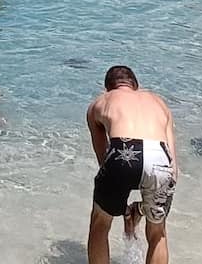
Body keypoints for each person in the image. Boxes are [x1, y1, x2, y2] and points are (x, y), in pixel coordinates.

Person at [85, 65, 177, 264]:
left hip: (123, 151)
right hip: (160, 156)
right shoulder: (160, 103)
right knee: (158, 232)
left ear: (107, 88)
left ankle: (130, 212)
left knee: (100, 225)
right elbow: (172, 161)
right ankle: (139, 212)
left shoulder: (100, 102)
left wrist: (117, 202)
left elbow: (103, 157)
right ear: (136, 86)